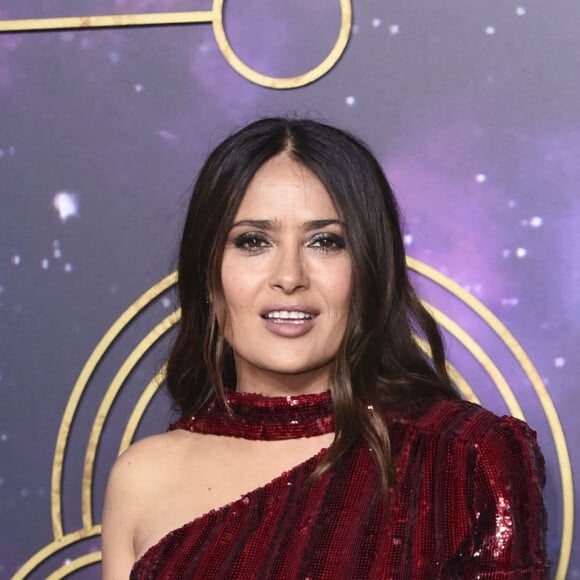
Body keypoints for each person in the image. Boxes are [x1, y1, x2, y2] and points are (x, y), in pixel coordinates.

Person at [101, 117, 548, 579]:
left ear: (369, 271)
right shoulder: (141, 479)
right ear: (209, 275)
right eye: (253, 241)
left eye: (326, 242)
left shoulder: (466, 457)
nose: (290, 276)